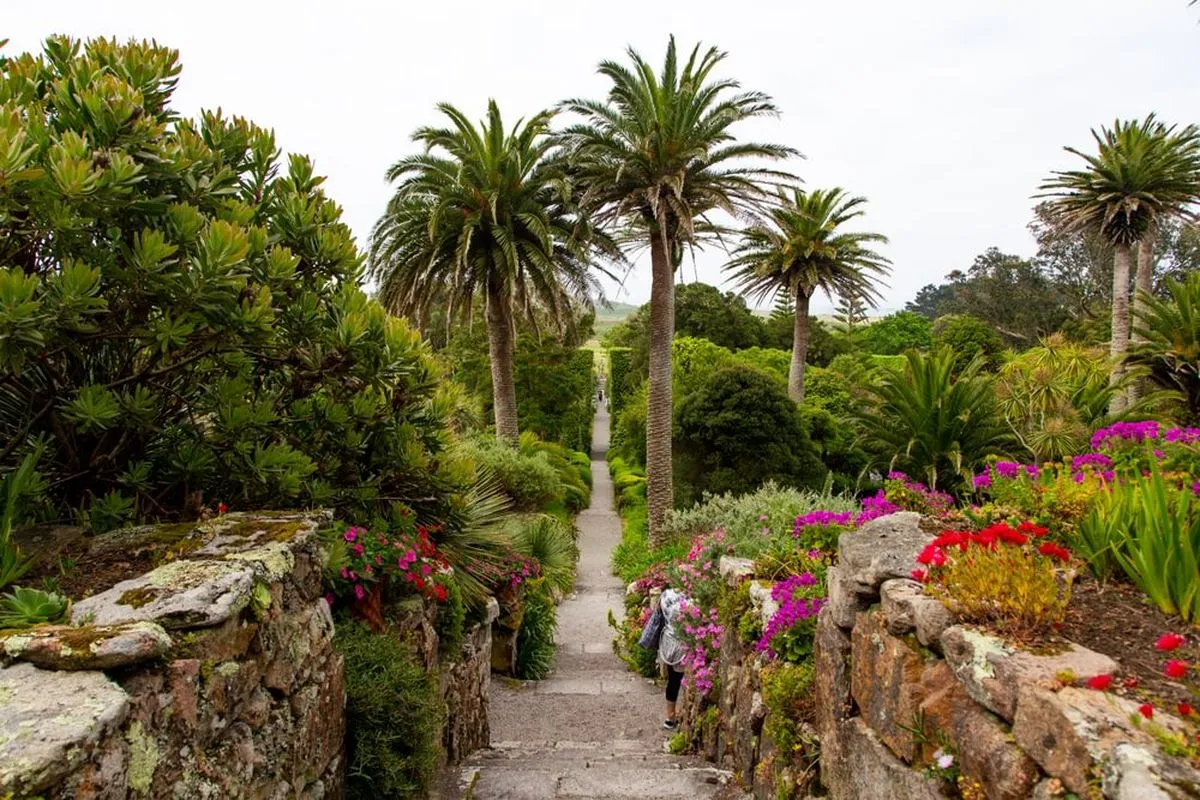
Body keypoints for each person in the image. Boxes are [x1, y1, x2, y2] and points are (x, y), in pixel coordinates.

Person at [656, 587, 686, 729]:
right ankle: (681, 714)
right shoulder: (690, 601)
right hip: (683, 645)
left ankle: (670, 717)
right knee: (684, 681)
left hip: (668, 642)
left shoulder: (666, 595)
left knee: (673, 681)